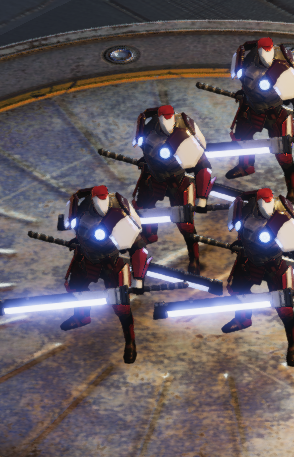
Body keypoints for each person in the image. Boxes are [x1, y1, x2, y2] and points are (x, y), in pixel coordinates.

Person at [223, 187, 294, 366]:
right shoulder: (244, 210)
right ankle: (243, 319)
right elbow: (243, 232)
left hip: (275, 265)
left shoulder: (283, 219)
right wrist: (241, 242)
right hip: (249, 260)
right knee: (237, 291)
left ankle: (293, 344)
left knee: (284, 308)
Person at [61, 185, 151, 363]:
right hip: (86, 257)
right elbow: (77, 228)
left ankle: (130, 341)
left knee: (121, 306)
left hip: (112, 262)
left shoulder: (120, 212)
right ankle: (82, 316)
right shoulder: (80, 204)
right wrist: (79, 240)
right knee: (75, 288)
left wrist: (139, 279)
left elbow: (138, 247)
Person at [226, 37, 294, 206]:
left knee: (284, 155)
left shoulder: (284, 68)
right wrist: (244, 93)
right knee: (241, 138)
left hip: (276, 113)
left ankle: (292, 190)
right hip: (251, 108)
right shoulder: (247, 58)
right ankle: (246, 166)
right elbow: (246, 82)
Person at [132, 104, 214, 274]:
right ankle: (150, 234)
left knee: (186, 224)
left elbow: (203, 166)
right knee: (142, 209)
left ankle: (194, 258)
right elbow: (144, 149)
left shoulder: (186, 131)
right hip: (153, 176)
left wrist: (202, 198)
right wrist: (147, 160)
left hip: (178, 180)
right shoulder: (147, 126)